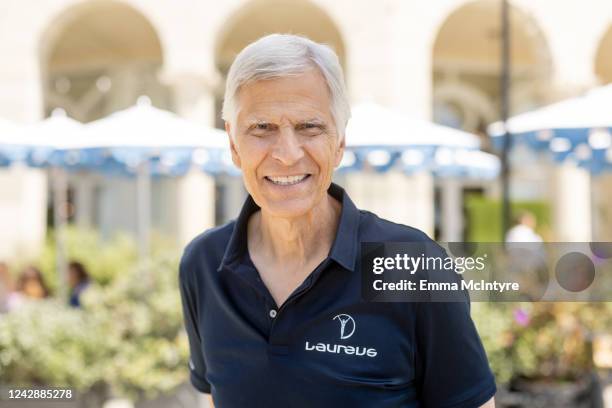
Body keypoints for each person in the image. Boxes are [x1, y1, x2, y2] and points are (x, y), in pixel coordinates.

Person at [178, 34, 496, 407]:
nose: (287, 154)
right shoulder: (203, 264)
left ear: (340, 141)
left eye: (309, 127)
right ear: (233, 143)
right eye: (261, 128)